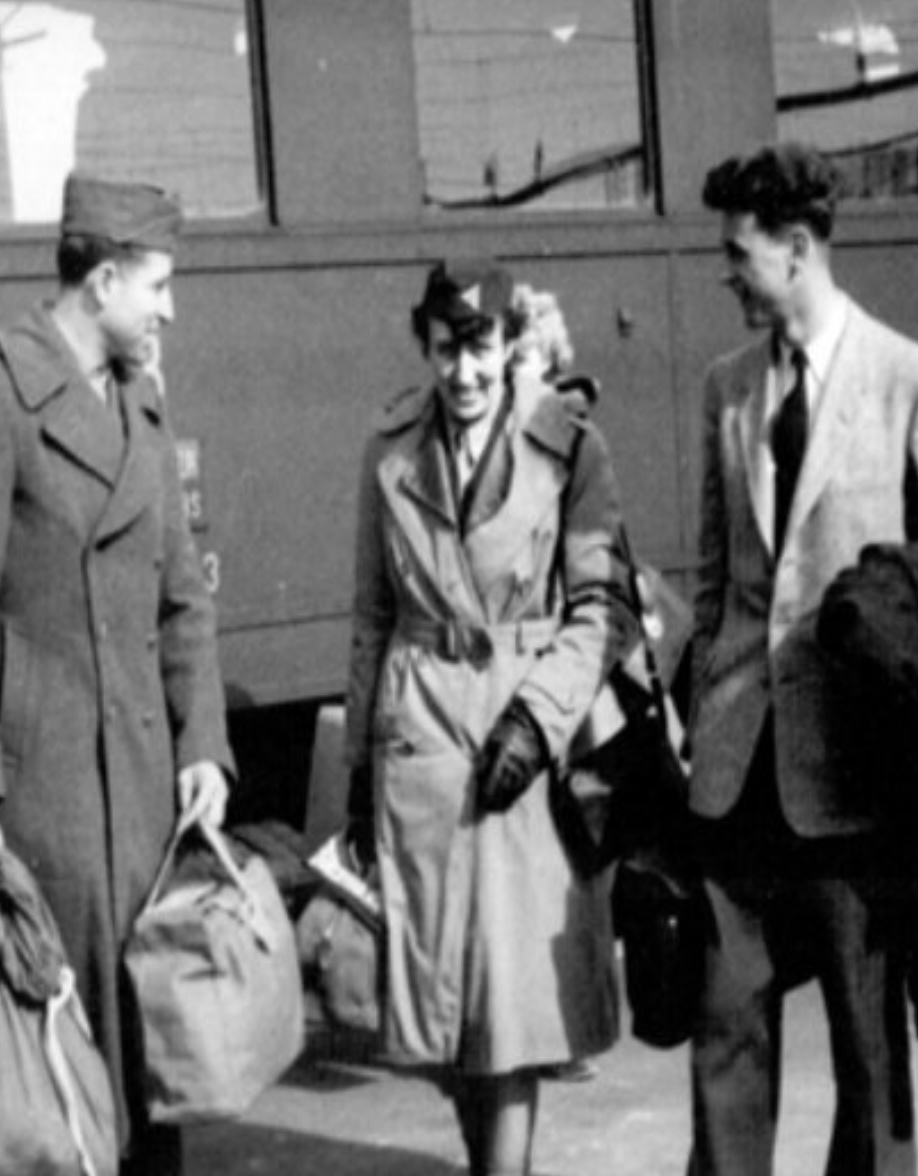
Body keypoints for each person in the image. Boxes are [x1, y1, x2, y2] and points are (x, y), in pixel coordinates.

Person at [344, 257, 639, 1175]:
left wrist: (537, 722)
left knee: (510, 1011)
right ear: (425, 346)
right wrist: (358, 768)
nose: (463, 372)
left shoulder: (570, 447)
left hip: (523, 744)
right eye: (445, 349)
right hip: (424, 742)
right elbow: (372, 615)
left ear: (511, 345)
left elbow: (603, 608)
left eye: (480, 349)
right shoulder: (389, 450)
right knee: (447, 1010)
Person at [687, 140, 918, 1176]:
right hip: (737, 773)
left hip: (857, 782)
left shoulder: (905, 380)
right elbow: (713, 578)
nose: (727, 275)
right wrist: (707, 706)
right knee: (726, 1036)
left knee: (869, 1055)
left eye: (737, 253)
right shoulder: (727, 389)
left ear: (795, 248)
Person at [0, 173, 235, 1176]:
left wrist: (205, 746)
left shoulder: (140, 397)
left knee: (152, 1077)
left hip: (141, 807)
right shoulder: (8, 392)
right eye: (157, 286)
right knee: (59, 1090)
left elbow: (183, 597)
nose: (169, 310)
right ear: (101, 283)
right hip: (40, 805)